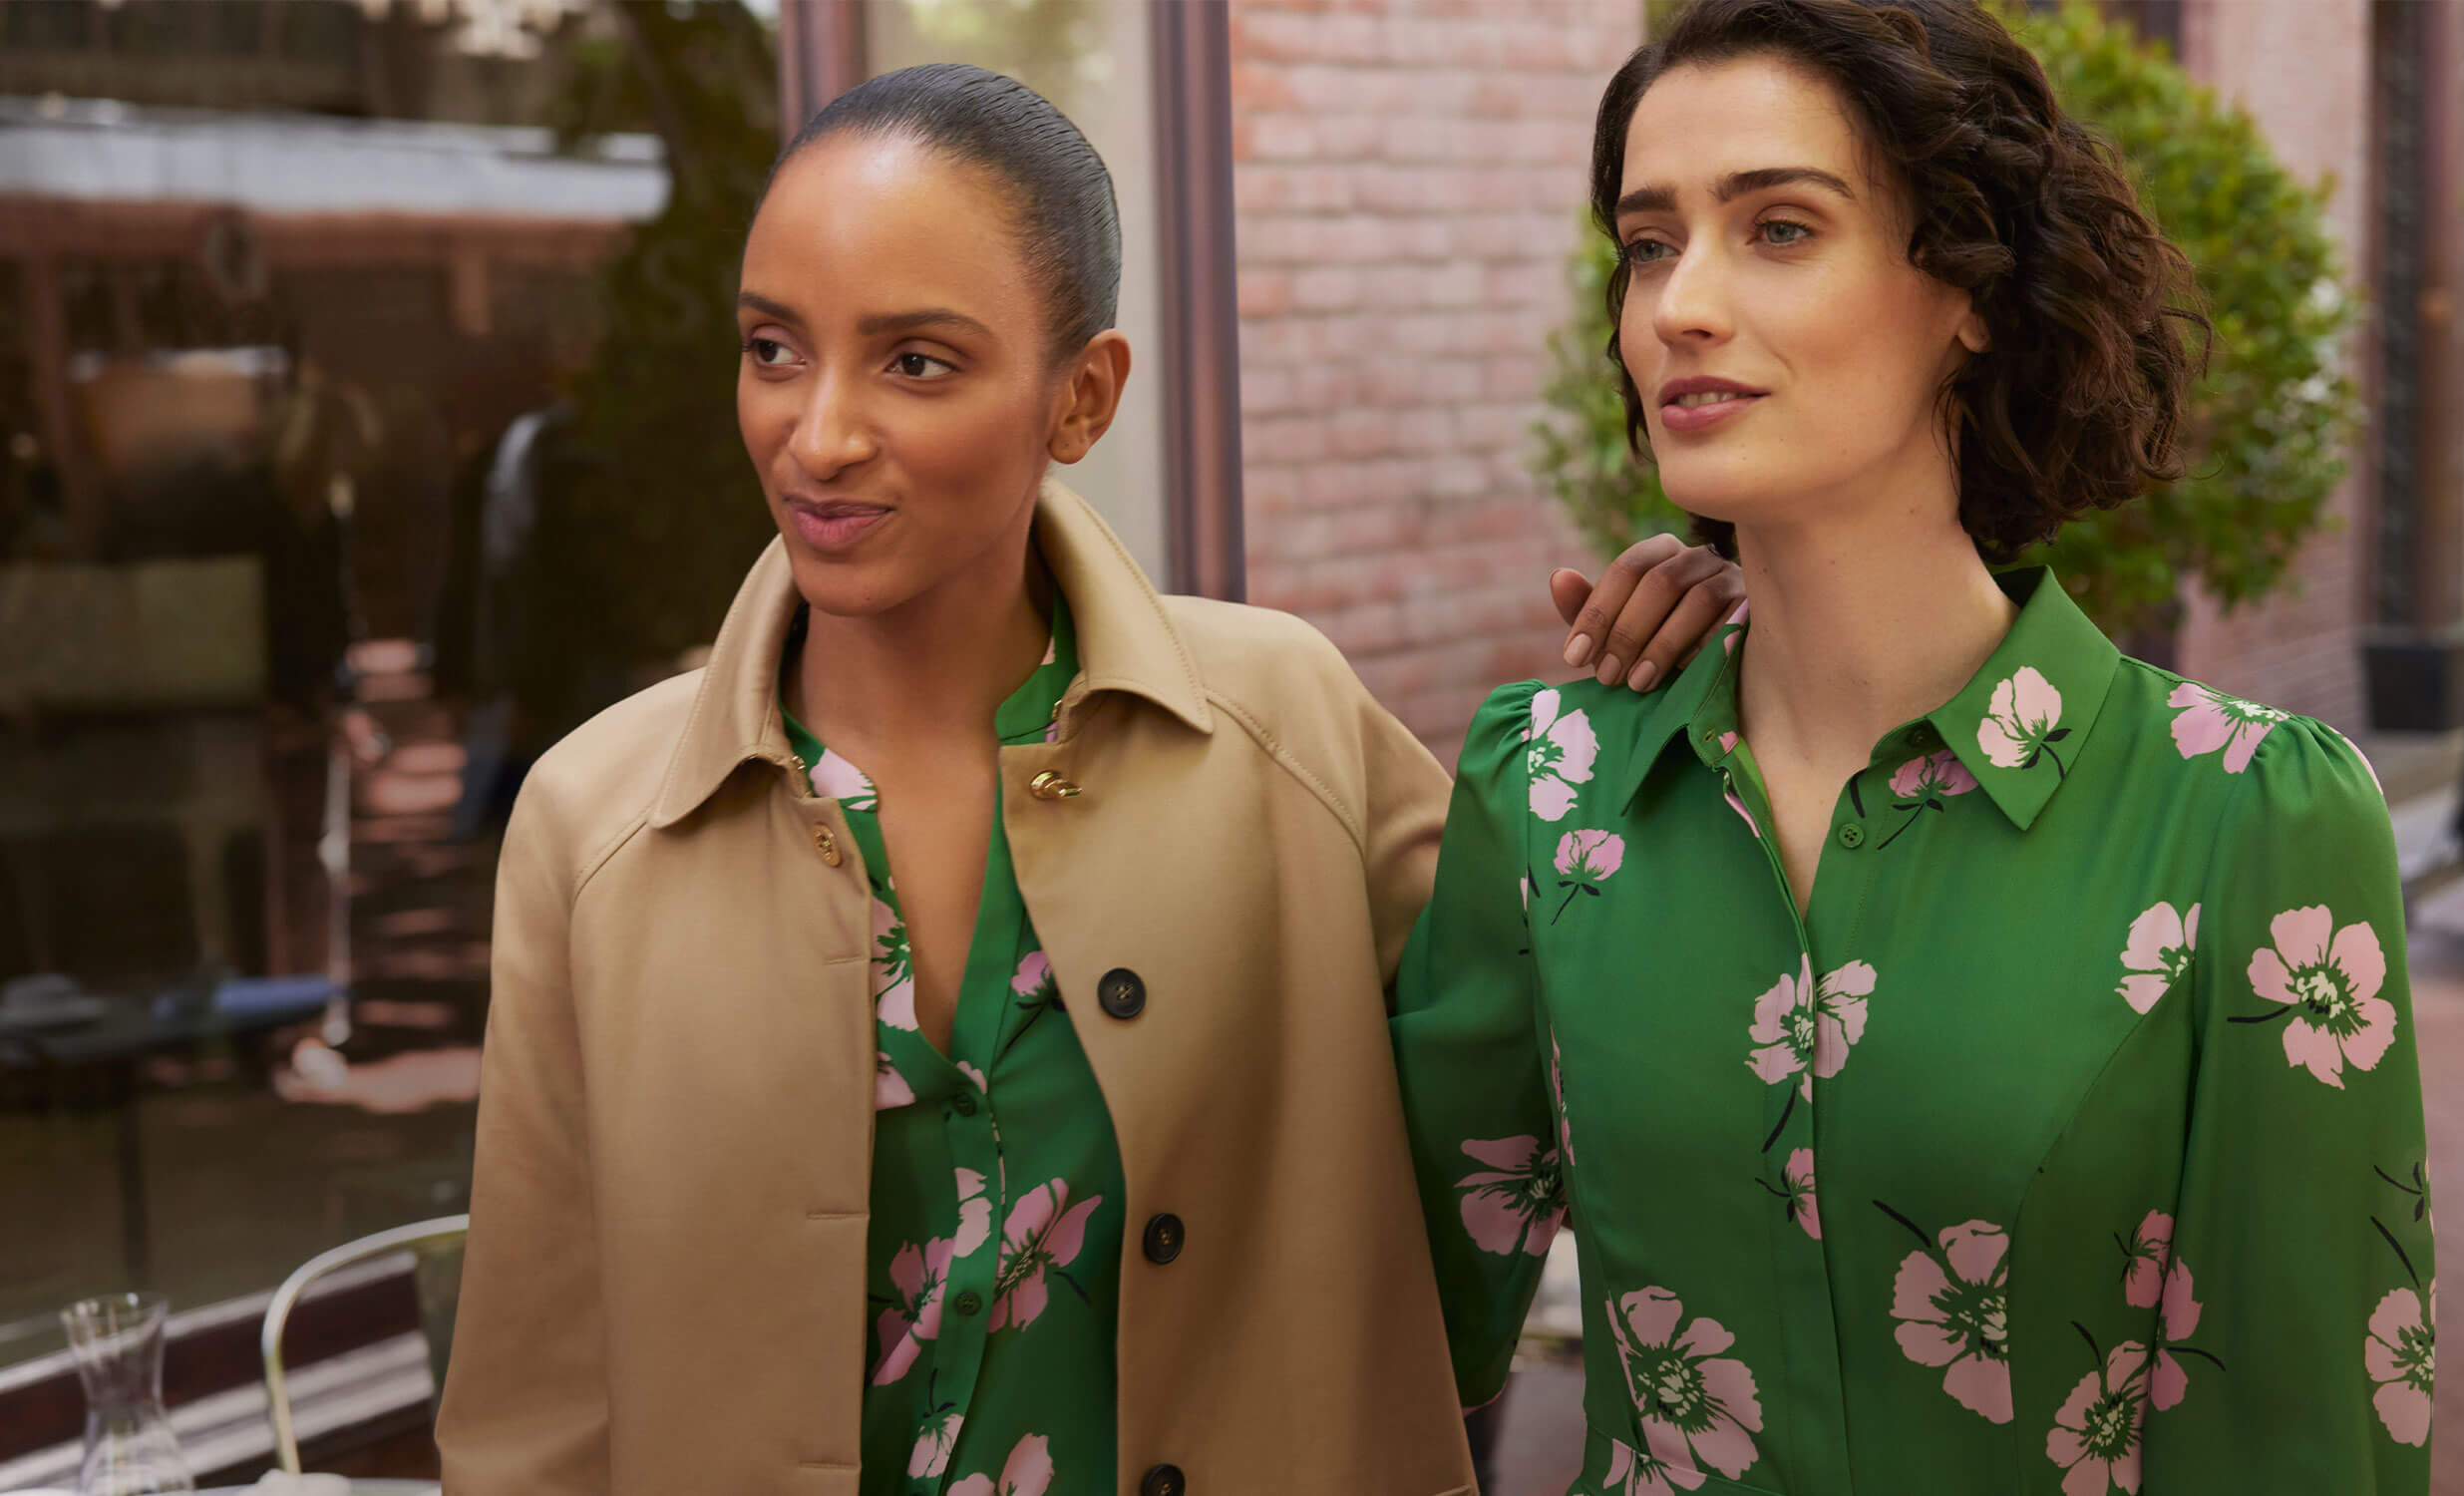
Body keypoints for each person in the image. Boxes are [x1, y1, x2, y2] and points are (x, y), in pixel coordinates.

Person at [436, 63, 1740, 1496]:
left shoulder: (1286, 732)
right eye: (772, 348)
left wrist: (1746, 645)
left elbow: (1575, 1083)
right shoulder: (592, 822)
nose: (816, 435)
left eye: (915, 361)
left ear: (1083, 397)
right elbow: (534, 1413)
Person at [1391, 3, 2435, 1493]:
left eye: (1778, 228)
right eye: (1647, 243)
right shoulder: (1549, 788)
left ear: (1973, 289)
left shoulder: (2242, 818)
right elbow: (1384, 1311)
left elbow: (2307, 1434)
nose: (1680, 303)